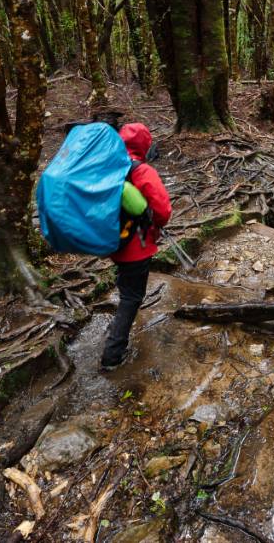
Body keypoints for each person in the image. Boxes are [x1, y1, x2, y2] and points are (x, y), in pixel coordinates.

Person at [100, 122, 171, 371]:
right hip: (136, 247)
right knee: (132, 297)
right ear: (144, 144)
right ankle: (112, 355)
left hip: (111, 242)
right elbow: (163, 209)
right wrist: (157, 224)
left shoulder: (107, 166)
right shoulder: (141, 170)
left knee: (126, 287)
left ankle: (114, 329)